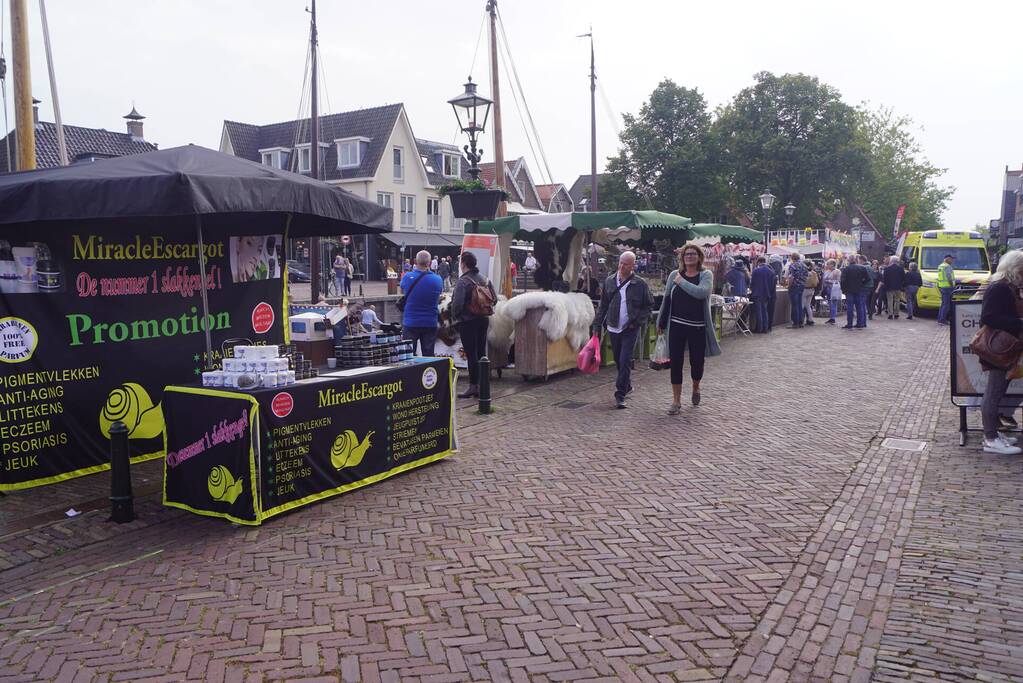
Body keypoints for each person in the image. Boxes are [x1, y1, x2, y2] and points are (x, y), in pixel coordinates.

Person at [657, 245, 722, 415]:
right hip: (676, 325)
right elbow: (667, 299)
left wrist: (682, 282)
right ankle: (676, 401)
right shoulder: (674, 275)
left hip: (697, 326)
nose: (690, 256)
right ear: (682, 257)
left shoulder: (705, 275)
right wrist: (661, 322)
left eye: (693, 254)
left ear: (699, 257)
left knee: (697, 363)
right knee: (676, 362)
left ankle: (696, 387)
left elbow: (701, 293)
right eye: (687, 254)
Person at [594, 251, 654, 409]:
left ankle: (620, 394)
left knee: (625, 359)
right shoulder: (609, 281)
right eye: (620, 262)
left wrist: (637, 322)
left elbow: (648, 305)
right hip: (613, 327)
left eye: (626, 264)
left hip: (630, 327)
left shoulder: (640, 284)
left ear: (633, 265)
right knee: (619, 359)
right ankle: (626, 385)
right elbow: (603, 306)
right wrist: (596, 326)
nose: (622, 266)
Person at [979, 250, 1023, 454]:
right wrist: (1018, 323)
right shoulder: (1000, 288)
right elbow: (988, 317)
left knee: (997, 391)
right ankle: (990, 438)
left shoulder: (1005, 286)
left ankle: (994, 434)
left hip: (1004, 346)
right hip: (999, 347)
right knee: (994, 392)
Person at [451, 251, 497, 398]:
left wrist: (456, 317)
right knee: (481, 353)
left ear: (463, 263)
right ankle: (483, 385)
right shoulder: (484, 279)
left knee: (471, 354)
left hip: (468, 321)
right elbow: (494, 299)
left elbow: (457, 304)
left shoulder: (463, 281)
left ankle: (473, 386)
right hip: (483, 319)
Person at [399, 250, 444, 356]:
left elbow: (402, 292)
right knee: (428, 356)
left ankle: (410, 373)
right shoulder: (438, 279)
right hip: (430, 322)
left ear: (415, 261)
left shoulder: (407, 277)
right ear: (429, 263)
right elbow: (439, 295)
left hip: (411, 321)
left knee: (409, 355)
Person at [841, 256, 870, 329]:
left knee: (850, 307)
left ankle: (849, 324)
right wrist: (862, 284)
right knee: (859, 307)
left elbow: (843, 281)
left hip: (849, 290)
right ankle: (860, 323)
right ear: (856, 260)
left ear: (849, 261)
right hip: (859, 289)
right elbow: (868, 279)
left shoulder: (846, 269)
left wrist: (843, 290)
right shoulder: (862, 268)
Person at [750, 256, 777, 333]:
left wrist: (752, 290)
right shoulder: (771, 271)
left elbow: (752, 283)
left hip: (757, 293)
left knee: (759, 311)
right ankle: (765, 328)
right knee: (765, 311)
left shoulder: (756, 271)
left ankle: (759, 328)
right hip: (767, 293)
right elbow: (772, 285)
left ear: (758, 262)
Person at [784, 253, 808, 328]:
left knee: (794, 305)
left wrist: (788, 286)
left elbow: (791, 277)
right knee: (799, 304)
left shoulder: (793, 265)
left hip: (794, 286)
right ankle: (801, 322)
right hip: (802, 286)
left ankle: (795, 323)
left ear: (792, 258)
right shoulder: (804, 265)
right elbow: (806, 276)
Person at [937, 253, 956, 325]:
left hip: (942, 287)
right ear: (947, 259)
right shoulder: (947, 266)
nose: (952, 261)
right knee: (946, 304)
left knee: (943, 304)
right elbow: (949, 277)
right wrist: (952, 285)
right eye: (951, 259)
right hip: (948, 287)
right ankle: (942, 320)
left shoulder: (940, 266)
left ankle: (940, 319)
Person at [824, 259, 842, 324]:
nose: (827, 265)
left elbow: (838, 281)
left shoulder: (837, 271)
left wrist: (829, 281)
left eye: (828, 264)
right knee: (830, 303)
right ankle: (831, 317)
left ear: (832, 264)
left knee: (833, 303)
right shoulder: (827, 271)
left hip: (834, 289)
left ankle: (833, 318)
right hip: (827, 289)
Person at [802, 261, 819, 326]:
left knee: (802, 305)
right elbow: (817, 281)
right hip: (812, 290)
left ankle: (801, 320)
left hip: (805, 289)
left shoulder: (804, 272)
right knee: (808, 305)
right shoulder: (814, 272)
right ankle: (810, 319)